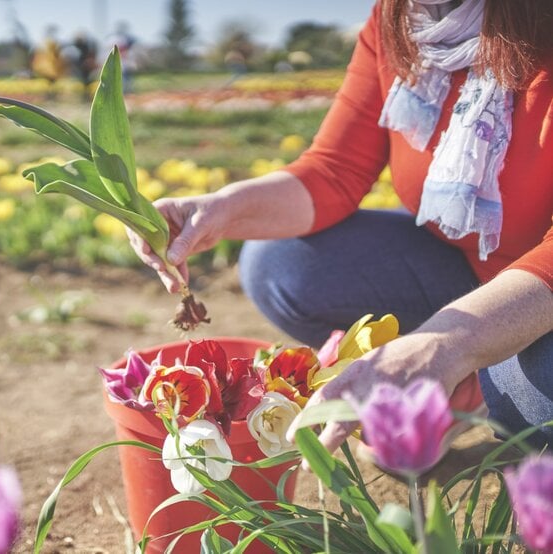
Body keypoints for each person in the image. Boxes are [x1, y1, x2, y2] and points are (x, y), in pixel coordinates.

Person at [129, 0, 553, 452]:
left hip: (538, 290)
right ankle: (468, 388)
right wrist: (220, 208)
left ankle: (485, 375)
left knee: (532, 396)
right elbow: (336, 170)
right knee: (281, 264)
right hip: (470, 268)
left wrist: (448, 343)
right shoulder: (401, 19)